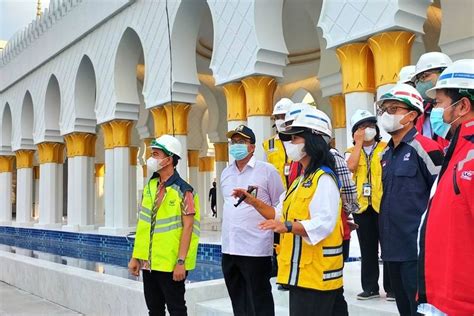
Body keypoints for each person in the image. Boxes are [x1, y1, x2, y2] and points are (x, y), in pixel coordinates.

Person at [233, 108, 348, 316]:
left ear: (314, 141)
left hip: (318, 277)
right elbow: (278, 214)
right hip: (302, 276)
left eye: (295, 138)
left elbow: (323, 223)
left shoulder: (324, 179)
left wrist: (287, 227)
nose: (289, 144)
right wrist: (253, 202)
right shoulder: (300, 181)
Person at [375, 84, 444, 316]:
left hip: (417, 249)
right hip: (392, 247)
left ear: (412, 115)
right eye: (384, 109)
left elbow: (441, 195)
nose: (387, 114)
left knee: (420, 310)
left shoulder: (426, 148)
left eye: (394, 108)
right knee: (404, 308)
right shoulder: (385, 153)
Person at [418, 59, 474, 315]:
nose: (435, 110)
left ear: (462, 105)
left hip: (460, 302)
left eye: (439, 103)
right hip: (444, 296)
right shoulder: (458, 151)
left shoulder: (470, 156)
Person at [128, 135, 200, 316]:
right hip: (149, 264)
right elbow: (144, 225)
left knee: (176, 310)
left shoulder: (185, 191)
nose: (151, 159)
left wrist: (181, 262)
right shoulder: (150, 187)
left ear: (169, 159)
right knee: (154, 310)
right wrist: (136, 257)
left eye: (156, 154)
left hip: (170, 265)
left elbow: (188, 228)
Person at [220, 124, 285, 316]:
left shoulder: (267, 171)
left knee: (259, 300)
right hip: (230, 248)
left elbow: (279, 206)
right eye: (233, 142)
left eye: (241, 142)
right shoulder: (226, 173)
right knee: (238, 299)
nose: (235, 145)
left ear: (252, 147)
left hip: (255, 248)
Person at [345, 110, 393, 301]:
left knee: (388, 246)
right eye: (363, 126)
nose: (368, 130)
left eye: (371, 125)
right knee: (367, 247)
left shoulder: (385, 147)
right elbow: (350, 167)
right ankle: (370, 287)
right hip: (362, 206)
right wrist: (358, 144)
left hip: (383, 204)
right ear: (355, 131)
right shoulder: (350, 152)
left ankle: (392, 288)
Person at [412, 52, 453, 149]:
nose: (419, 85)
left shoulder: (461, 107)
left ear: (444, 73)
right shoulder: (420, 115)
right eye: (417, 80)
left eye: (424, 76)